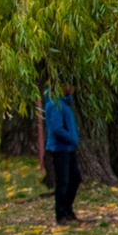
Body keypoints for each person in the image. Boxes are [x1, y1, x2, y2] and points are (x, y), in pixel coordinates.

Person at [41, 89, 81, 223]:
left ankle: (68, 210)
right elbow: (57, 129)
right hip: (60, 148)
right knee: (63, 181)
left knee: (75, 178)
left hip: (69, 148)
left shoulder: (65, 104)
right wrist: (72, 138)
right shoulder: (54, 104)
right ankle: (61, 214)